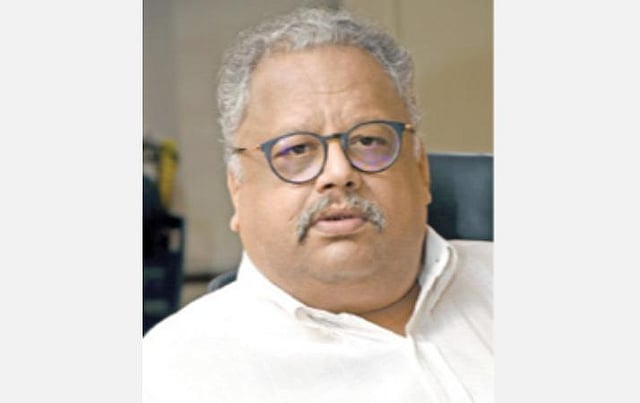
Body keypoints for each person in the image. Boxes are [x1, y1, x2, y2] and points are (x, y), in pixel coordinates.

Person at [143, 7, 493, 403]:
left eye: (368, 141)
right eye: (296, 149)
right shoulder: (173, 376)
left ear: (421, 170)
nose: (339, 172)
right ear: (237, 189)